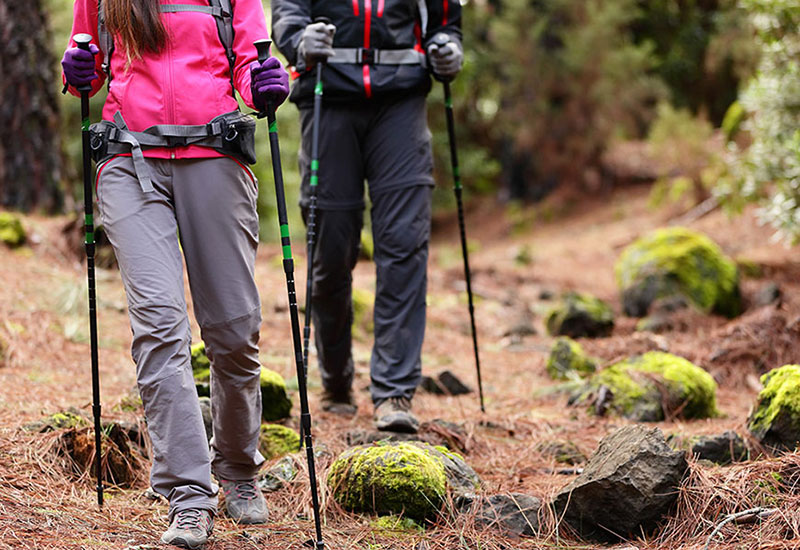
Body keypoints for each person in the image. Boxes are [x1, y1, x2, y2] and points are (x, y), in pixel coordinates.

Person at [61, 0, 289, 547]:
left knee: (234, 332)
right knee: (160, 326)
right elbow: (84, 56)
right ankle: (188, 495)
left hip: (214, 154)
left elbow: (247, 64)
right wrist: (77, 73)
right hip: (129, 160)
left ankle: (237, 468)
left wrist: (263, 85)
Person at [272, 0, 463, 433]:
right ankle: (336, 379)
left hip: (401, 105)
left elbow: (445, 21)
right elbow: (286, 12)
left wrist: (448, 47)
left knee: (404, 244)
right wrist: (300, 40)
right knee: (332, 250)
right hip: (328, 100)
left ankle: (394, 390)